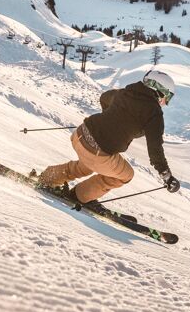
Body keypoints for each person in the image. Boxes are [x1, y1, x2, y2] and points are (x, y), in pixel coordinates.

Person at [36, 70, 181, 211]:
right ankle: (80, 196)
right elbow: (155, 149)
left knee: (86, 166)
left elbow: (104, 97)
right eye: (167, 97)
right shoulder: (154, 113)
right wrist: (167, 177)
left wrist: (111, 119)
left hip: (80, 134)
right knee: (126, 175)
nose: (165, 103)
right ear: (159, 90)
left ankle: (48, 178)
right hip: (98, 152)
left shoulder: (126, 92)